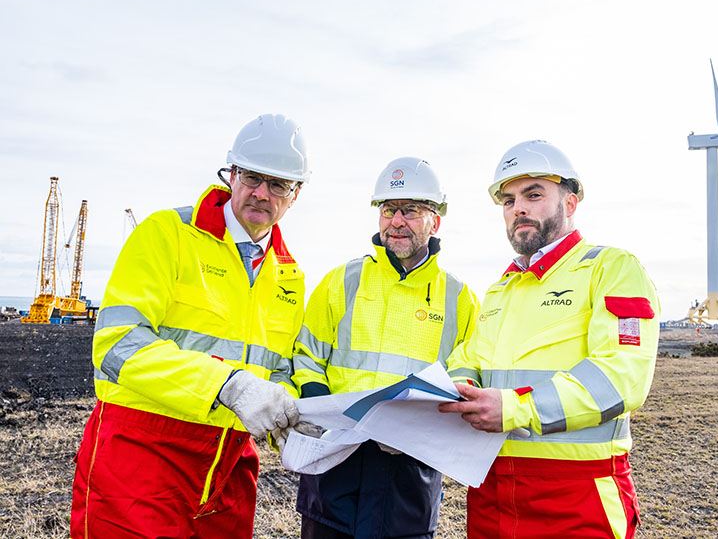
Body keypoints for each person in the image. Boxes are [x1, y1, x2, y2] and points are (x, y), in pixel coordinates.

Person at [71, 114, 311, 539]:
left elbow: (275, 372)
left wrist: (296, 416)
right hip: (141, 456)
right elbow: (117, 345)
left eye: (278, 185)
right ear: (231, 174)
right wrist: (229, 386)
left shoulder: (289, 276)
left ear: (295, 195)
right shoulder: (168, 234)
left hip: (229, 467)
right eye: (252, 177)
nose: (261, 193)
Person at [440, 140, 660, 539]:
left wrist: (514, 408)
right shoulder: (500, 290)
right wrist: (463, 388)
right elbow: (467, 356)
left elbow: (621, 376)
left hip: (576, 499)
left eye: (533, 194)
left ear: (571, 203)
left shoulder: (611, 269)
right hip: (491, 495)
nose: (518, 208)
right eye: (508, 200)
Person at [292, 157, 480, 539]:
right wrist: (321, 416)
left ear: (435, 220)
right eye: (388, 209)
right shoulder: (341, 280)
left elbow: (467, 373)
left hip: (410, 473)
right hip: (335, 468)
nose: (396, 221)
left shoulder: (459, 298)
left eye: (410, 210)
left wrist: (423, 426)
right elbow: (306, 355)